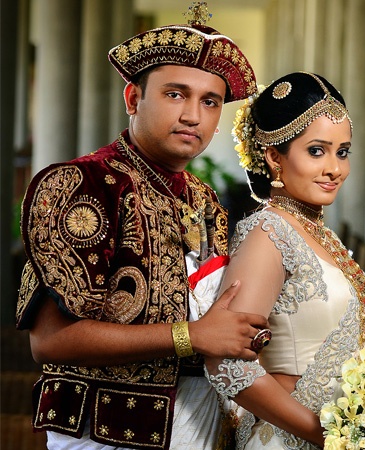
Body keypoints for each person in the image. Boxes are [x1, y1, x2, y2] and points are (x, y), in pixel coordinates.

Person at [15, 3, 269, 449]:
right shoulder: (83, 184)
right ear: (133, 99)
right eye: (175, 94)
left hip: (200, 416)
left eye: (209, 102)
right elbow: (50, 342)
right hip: (105, 430)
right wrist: (191, 336)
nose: (193, 115)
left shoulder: (203, 198)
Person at [205, 71, 365, 449]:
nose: (335, 168)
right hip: (291, 440)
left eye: (342, 152)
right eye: (317, 151)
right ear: (275, 157)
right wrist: (326, 435)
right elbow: (227, 364)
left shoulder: (318, 233)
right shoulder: (268, 235)